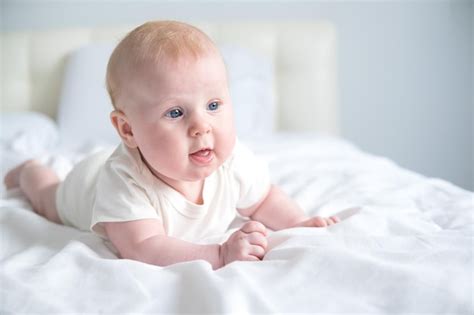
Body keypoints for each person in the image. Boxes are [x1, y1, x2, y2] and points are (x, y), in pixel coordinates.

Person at [4, 20, 340, 270]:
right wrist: (219, 254)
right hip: (85, 187)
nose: (201, 127)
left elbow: (264, 197)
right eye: (176, 112)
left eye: (213, 105)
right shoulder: (124, 182)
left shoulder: (232, 161)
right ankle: (31, 170)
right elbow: (144, 246)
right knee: (48, 199)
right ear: (128, 129)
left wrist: (297, 221)